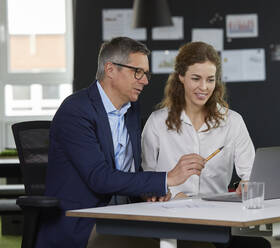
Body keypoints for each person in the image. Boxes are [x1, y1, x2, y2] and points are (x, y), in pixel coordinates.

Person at [35, 37, 205, 248]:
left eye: (146, 73)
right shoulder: (76, 111)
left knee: (197, 243)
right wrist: (166, 179)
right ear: (110, 69)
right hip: (85, 222)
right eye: (138, 72)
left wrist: (146, 191)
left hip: (127, 213)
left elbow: (126, 171)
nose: (145, 81)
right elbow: (100, 178)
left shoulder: (130, 109)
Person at [141, 41, 271, 248]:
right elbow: (146, 177)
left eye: (210, 80)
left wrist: (247, 184)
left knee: (259, 246)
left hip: (218, 219)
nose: (204, 87)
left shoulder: (232, 121)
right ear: (181, 77)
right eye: (196, 78)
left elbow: (251, 173)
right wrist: (175, 194)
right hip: (172, 217)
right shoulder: (157, 122)